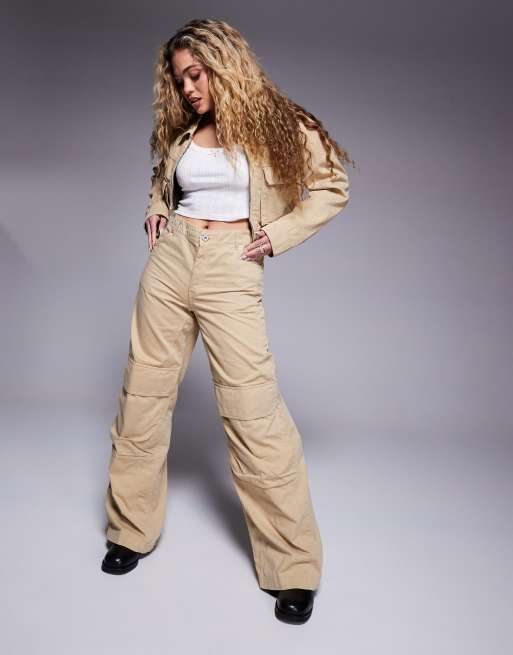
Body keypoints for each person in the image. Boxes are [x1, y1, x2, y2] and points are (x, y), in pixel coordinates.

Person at [101, 18, 352, 625]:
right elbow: (165, 181)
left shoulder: (282, 123)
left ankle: (292, 567)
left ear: (226, 64)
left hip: (231, 267)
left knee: (252, 412)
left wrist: (276, 236)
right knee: (143, 397)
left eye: (197, 74)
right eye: (179, 79)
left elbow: (331, 186)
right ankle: (129, 530)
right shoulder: (184, 130)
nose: (188, 88)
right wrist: (156, 209)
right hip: (171, 262)